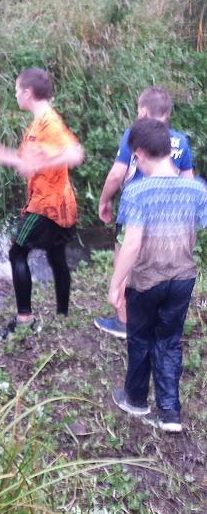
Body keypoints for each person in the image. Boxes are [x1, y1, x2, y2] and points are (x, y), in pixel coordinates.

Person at [108, 119, 206, 433]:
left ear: (138, 154)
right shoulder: (196, 188)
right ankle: (170, 413)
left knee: (140, 339)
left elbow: (131, 244)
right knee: (169, 342)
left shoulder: (137, 191)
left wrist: (116, 284)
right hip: (182, 279)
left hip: (145, 281)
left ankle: (136, 400)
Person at [0, 68, 83, 338]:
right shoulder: (38, 125)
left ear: (27, 93)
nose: (15, 95)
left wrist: (45, 161)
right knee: (56, 255)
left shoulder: (49, 123)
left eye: (17, 90)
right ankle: (62, 313)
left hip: (46, 206)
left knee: (17, 254)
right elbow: (25, 163)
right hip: (62, 205)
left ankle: (24, 320)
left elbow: (74, 153)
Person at [95, 86, 193, 338]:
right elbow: (188, 182)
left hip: (135, 211)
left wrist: (104, 201)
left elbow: (117, 174)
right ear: (167, 113)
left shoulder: (134, 135)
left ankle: (124, 322)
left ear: (143, 112)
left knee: (125, 261)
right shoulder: (181, 141)